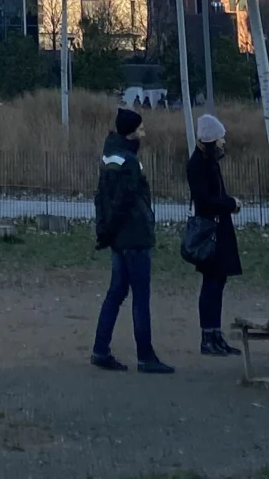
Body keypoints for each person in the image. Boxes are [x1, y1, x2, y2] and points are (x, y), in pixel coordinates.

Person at [92, 105, 173, 373]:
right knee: (140, 297)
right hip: (135, 237)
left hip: (118, 238)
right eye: (140, 128)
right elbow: (126, 201)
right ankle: (145, 356)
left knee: (115, 294)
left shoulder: (108, 158)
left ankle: (100, 349)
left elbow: (103, 197)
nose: (143, 133)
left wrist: (106, 232)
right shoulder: (130, 162)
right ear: (130, 133)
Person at [183, 113, 242, 355]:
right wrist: (230, 203)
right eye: (219, 139)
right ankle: (208, 335)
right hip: (211, 232)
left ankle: (215, 333)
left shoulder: (208, 161)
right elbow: (204, 200)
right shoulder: (198, 164)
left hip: (218, 229)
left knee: (217, 282)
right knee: (211, 284)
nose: (223, 143)